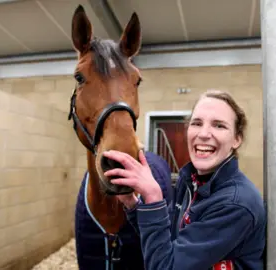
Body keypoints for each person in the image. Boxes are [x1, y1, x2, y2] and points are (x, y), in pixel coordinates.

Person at [102, 89, 266, 270]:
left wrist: (154, 197)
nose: (204, 134)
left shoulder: (235, 204)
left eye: (219, 125)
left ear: (237, 139)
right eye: (197, 123)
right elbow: (166, 243)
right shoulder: (189, 182)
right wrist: (133, 204)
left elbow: (166, 266)